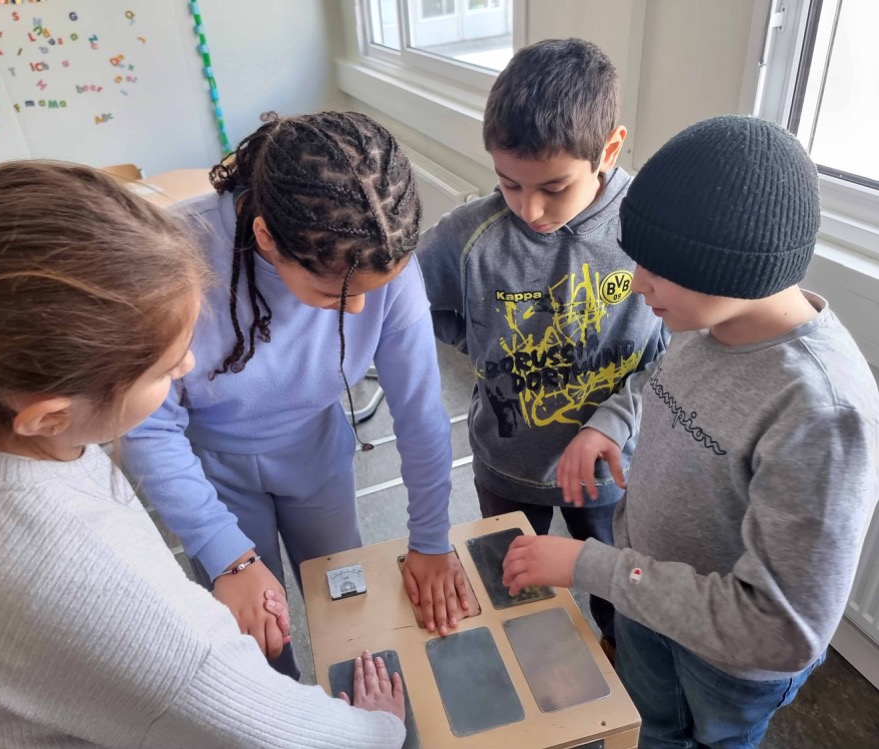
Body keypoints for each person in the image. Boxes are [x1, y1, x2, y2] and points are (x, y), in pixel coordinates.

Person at [0, 160, 407, 748]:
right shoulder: (98, 579)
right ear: (50, 415)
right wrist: (379, 728)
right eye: (164, 368)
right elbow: (283, 733)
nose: (188, 368)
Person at [503, 115, 879, 748]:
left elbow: (780, 628)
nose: (636, 282)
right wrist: (611, 423)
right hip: (647, 601)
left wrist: (594, 566)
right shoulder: (705, 320)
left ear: (738, 268)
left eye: (660, 268)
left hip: (728, 666)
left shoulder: (824, 414)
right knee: (654, 726)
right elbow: (657, 382)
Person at [122, 111, 468, 678]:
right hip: (211, 468)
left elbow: (421, 414)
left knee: (348, 609)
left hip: (317, 455)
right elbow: (149, 426)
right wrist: (228, 556)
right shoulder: (173, 257)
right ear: (265, 239)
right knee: (259, 638)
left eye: (373, 292)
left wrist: (431, 538)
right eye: (334, 294)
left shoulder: (383, 251)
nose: (358, 312)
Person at [417, 38, 665, 655]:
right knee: (513, 590)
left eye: (553, 188)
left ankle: (621, 668)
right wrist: (474, 337)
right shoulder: (469, 235)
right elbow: (409, 310)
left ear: (609, 149)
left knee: (616, 599)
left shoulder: (653, 227)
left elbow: (678, 354)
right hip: (508, 465)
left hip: (611, 470)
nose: (529, 209)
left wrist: (613, 420)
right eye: (509, 184)